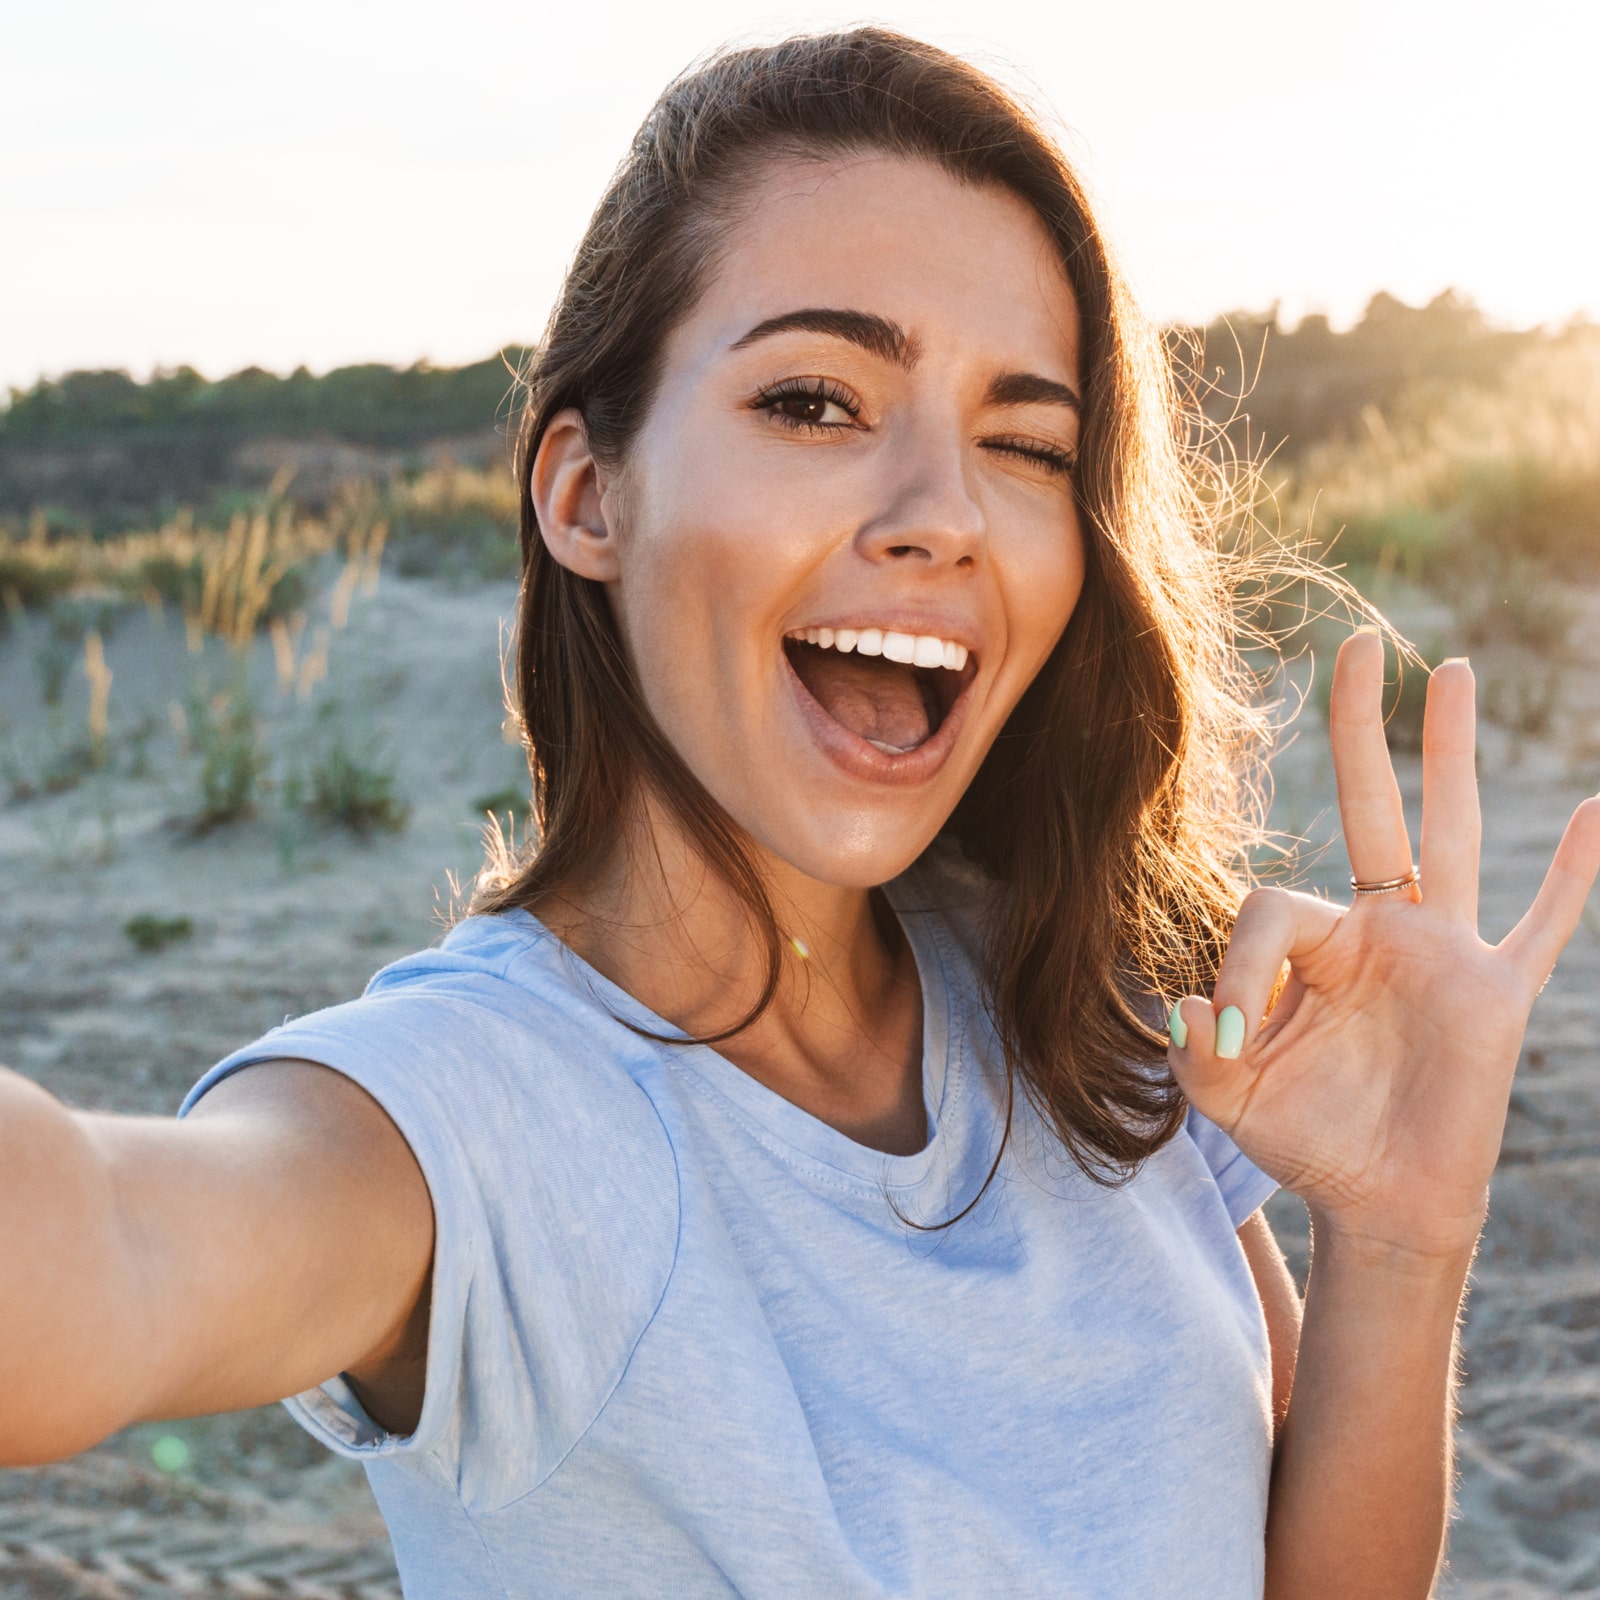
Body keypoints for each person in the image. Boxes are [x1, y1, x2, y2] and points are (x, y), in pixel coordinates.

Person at [3, 28, 1595, 1600]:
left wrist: (1397, 1245)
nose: (944, 514)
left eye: (1025, 442)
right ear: (587, 494)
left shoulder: (1082, 1013)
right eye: (818, 402)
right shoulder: (474, 1118)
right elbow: (108, 1255)